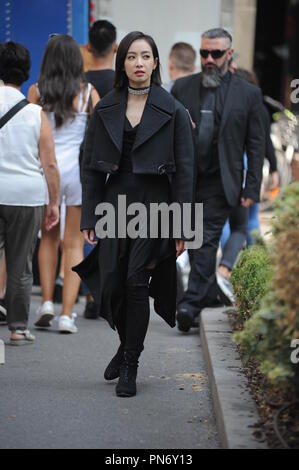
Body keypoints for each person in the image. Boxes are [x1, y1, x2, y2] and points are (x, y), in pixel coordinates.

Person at [73, 31, 195, 397]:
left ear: (156, 62)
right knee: (112, 281)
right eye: (131, 56)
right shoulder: (106, 106)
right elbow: (90, 167)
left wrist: (183, 226)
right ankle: (126, 345)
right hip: (115, 202)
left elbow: (186, 170)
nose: (138, 63)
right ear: (121, 62)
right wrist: (89, 216)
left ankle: (131, 364)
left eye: (145, 56)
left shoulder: (173, 109)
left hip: (156, 205)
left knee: (136, 281)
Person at [172, 28, 265, 332]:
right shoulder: (181, 88)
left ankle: (189, 303)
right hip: (187, 180)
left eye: (215, 54)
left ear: (229, 55)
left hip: (222, 181)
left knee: (206, 237)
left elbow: (256, 143)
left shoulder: (247, 94)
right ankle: (208, 294)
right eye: (204, 53)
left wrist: (252, 186)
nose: (208, 59)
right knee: (195, 241)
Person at [28, 35, 99, 334]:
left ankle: (46, 301)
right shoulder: (88, 93)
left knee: (47, 239)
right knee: (73, 244)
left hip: (46, 171)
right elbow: (99, 135)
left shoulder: (37, 92)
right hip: (77, 174)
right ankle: (68, 315)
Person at [0, 41, 60, 345]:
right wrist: (53, 204)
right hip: (27, 196)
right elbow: (49, 163)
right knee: (21, 264)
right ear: (25, 73)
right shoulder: (35, 113)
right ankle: (18, 328)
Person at [217, 68, 280, 305]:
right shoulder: (257, 106)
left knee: (233, 222)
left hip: (235, 168)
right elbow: (264, 142)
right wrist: (272, 168)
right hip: (249, 169)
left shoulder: (229, 103)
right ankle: (248, 268)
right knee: (247, 221)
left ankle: (229, 268)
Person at [82, 19, 118, 320]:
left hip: (87, 162)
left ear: (88, 48)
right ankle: (105, 289)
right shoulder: (123, 83)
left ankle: (90, 292)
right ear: (117, 48)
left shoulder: (81, 84)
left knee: (88, 227)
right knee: (111, 228)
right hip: (117, 164)